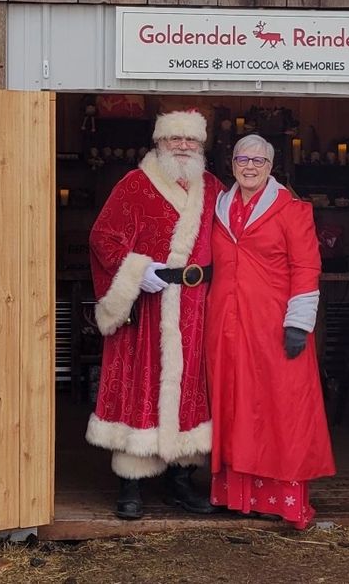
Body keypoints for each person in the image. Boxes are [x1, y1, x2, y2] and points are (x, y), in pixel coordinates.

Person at [87, 109, 224, 520]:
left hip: (197, 305)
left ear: (201, 146)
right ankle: (131, 483)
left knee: (190, 387)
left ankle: (181, 480)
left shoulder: (214, 188)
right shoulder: (134, 185)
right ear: (158, 143)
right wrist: (137, 270)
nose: (183, 147)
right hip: (148, 305)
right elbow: (102, 236)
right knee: (139, 385)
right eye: (174, 139)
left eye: (191, 141)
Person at [205, 133, 334, 529]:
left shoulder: (292, 210)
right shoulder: (218, 206)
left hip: (275, 326)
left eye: (258, 161)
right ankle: (237, 497)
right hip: (225, 327)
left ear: (270, 167)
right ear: (231, 164)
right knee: (233, 406)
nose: (249, 166)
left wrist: (299, 322)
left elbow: (307, 267)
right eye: (242, 159)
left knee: (280, 409)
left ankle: (280, 501)